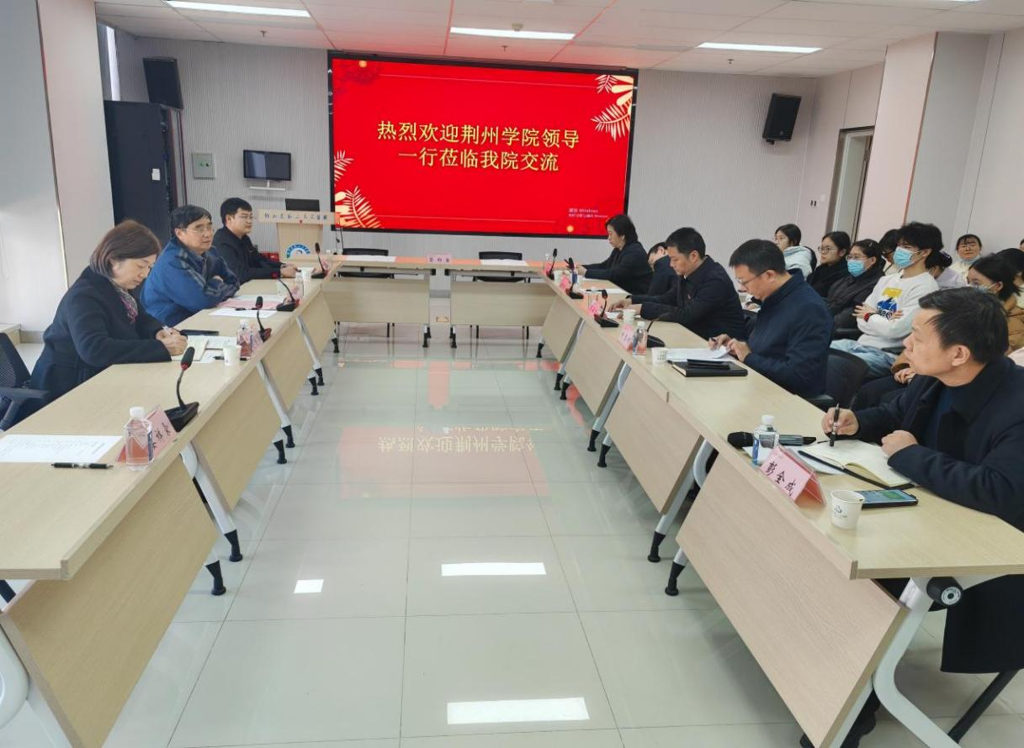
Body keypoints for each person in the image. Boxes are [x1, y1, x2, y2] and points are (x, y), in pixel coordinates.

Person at [821, 289, 1024, 748]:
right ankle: (820, 667)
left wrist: (911, 456)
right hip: (929, 513)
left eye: (916, 336)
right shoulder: (935, 379)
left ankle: (851, 705)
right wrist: (857, 421)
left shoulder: (1017, 405)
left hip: (996, 548)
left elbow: (1001, 492)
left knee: (871, 571)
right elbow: (895, 414)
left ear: (959, 353)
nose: (905, 345)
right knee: (832, 541)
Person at [27, 221, 187, 410]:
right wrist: (160, 348)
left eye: (150, 267)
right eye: (140, 266)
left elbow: (139, 317)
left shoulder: (116, 286)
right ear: (113, 260)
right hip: (68, 386)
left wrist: (157, 331)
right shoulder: (84, 295)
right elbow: (94, 349)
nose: (145, 274)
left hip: (98, 375)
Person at [855, 255, 1024, 409]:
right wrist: (908, 365)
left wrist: (920, 373)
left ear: (998, 286)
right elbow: (921, 337)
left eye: (976, 283)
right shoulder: (957, 307)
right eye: (968, 281)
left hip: (949, 378)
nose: (969, 287)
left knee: (891, 400)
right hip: (922, 370)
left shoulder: (1014, 321)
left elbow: (984, 362)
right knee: (870, 391)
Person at [709, 239, 832, 398]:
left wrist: (749, 357)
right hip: (758, 384)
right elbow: (769, 349)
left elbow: (800, 376)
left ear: (769, 275)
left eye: (745, 282)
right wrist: (736, 347)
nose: (742, 288)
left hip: (786, 399)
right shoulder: (774, 297)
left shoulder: (809, 309)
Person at [830, 222, 940, 379]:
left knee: (833, 365)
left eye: (907, 247)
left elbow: (894, 331)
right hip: (859, 343)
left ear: (925, 252)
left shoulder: (926, 287)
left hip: (886, 354)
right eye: (899, 246)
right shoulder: (887, 280)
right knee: (815, 349)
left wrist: (870, 315)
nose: (899, 250)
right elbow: (860, 318)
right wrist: (882, 320)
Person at [611, 227, 746, 340]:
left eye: (675, 259)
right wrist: (632, 301)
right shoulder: (686, 273)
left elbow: (687, 314)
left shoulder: (715, 280)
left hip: (721, 349)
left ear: (693, 256)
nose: (671, 264)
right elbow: (667, 298)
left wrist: (642, 309)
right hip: (696, 338)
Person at [143, 205, 241, 326]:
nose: (208, 234)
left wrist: (212, 292)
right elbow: (202, 301)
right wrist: (216, 282)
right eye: (199, 229)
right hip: (171, 326)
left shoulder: (210, 252)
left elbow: (234, 282)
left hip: (200, 318)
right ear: (180, 233)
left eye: (209, 227)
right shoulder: (172, 261)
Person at [212, 197, 296, 283]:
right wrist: (279, 272)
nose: (249, 221)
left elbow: (259, 260)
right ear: (229, 219)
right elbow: (239, 274)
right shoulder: (222, 242)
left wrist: (282, 266)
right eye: (244, 217)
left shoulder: (244, 238)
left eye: (251, 217)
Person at [579, 214, 652, 295]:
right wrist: (581, 267)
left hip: (636, 297)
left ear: (622, 236)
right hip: (623, 293)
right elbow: (604, 266)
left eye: (611, 234)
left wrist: (586, 272)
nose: (608, 238)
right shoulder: (619, 249)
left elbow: (615, 275)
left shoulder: (635, 253)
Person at [826, 239, 886, 337]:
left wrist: (822, 324)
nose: (851, 261)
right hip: (827, 322)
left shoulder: (877, 283)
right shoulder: (849, 278)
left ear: (872, 260)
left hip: (841, 331)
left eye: (856, 257)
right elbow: (830, 301)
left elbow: (851, 314)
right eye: (850, 257)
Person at [806, 231, 851, 298]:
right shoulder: (820, 269)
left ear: (842, 252)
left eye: (828, 249)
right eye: (822, 248)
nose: (823, 252)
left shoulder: (845, 274)